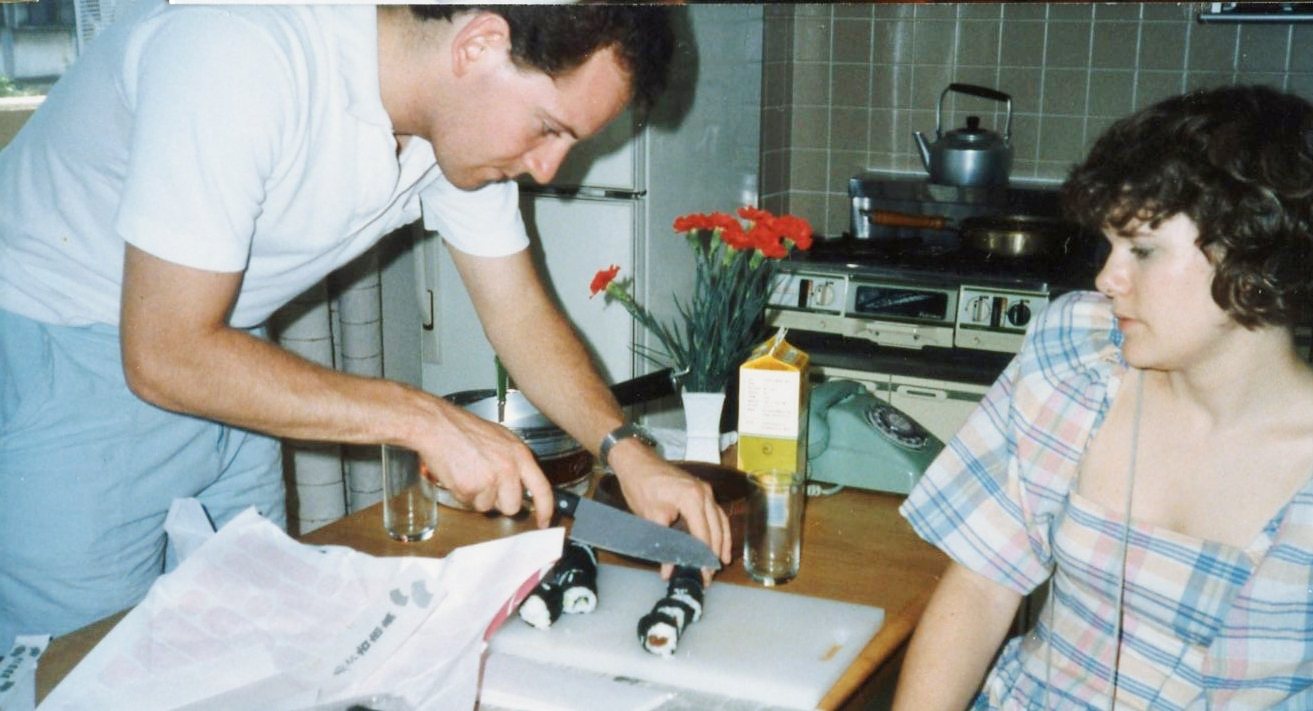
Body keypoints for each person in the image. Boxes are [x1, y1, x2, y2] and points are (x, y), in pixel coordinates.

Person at [0, 2, 731, 650]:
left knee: (255, 650)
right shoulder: (237, 49)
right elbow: (162, 354)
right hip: (63, 361)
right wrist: (425, 421)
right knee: (86, 670)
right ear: (478, 44)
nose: (546, 169)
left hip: (224, 353)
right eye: (548, 128)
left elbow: (519, 314)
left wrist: (626, 450)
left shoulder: (453, 127)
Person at [893, 84, 1313, 709]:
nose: (1107, 278)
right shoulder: (1082, 355)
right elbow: (981, 586)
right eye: (1110, 245)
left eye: (1142, 250)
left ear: (1255, 258)